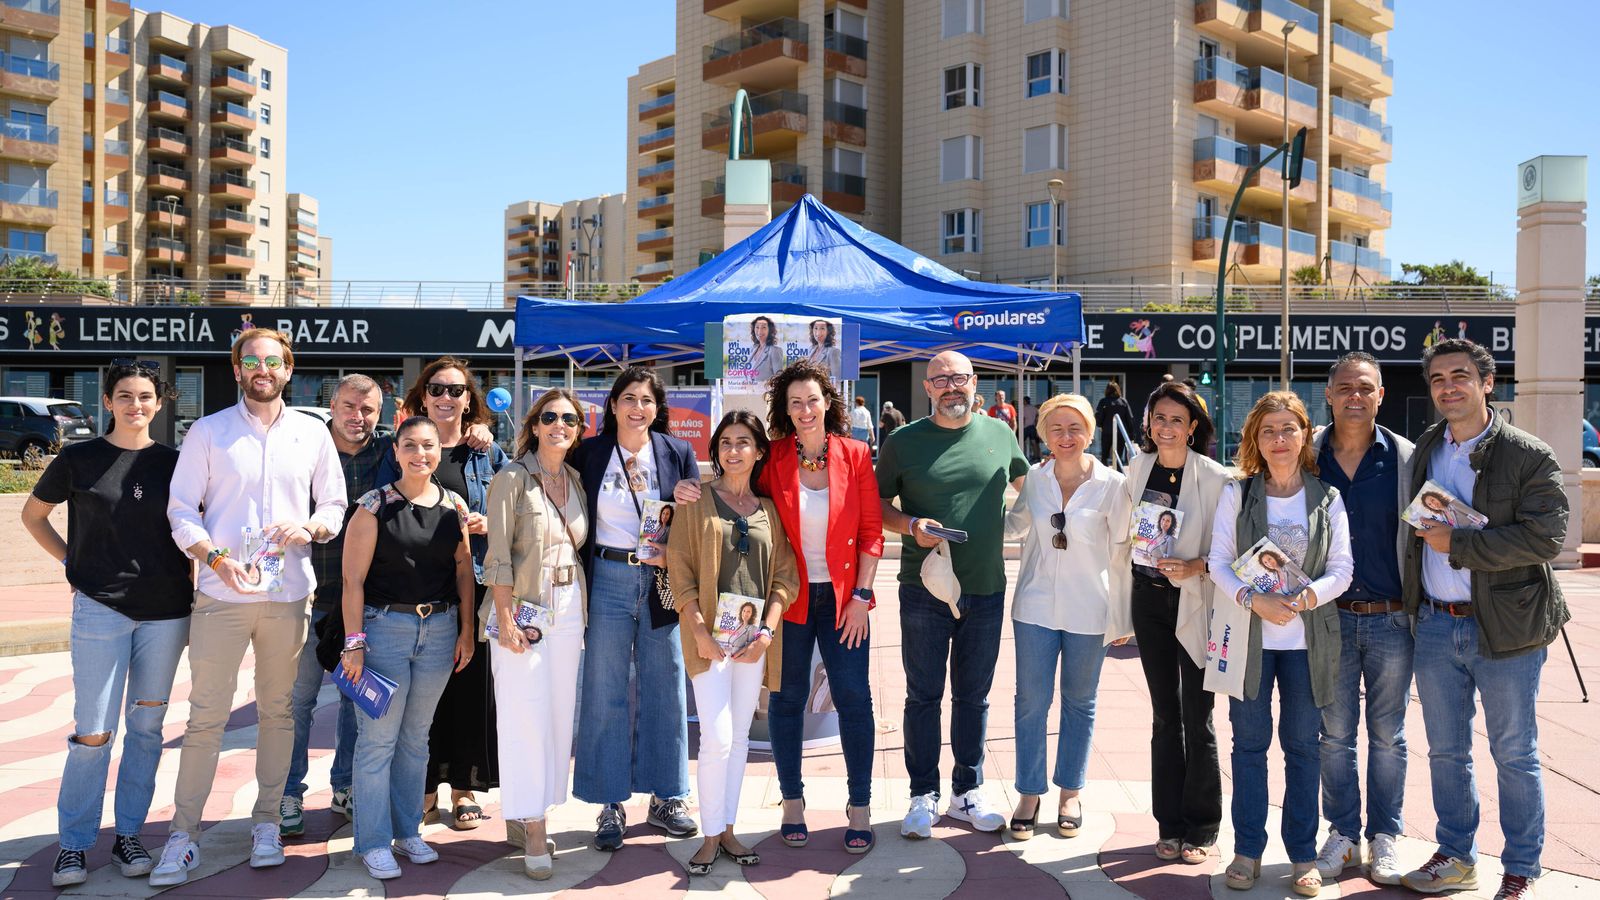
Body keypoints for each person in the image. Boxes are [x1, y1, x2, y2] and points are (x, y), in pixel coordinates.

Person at [155, 329, 347, 886]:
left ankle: (266, 822)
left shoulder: (313, 434)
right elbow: (181, 510)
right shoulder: (208, 432)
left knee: (278, 713)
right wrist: (214, 559)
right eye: (251, 360)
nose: (262, 368)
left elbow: (334, 504)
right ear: (236, 368)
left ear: (289, 368)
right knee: (206, 719)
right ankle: (183, 836)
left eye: (273, 360)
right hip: (221, 595)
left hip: (287, 597)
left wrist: (309, 525)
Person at [1399, 339, 1569, 900]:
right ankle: (1456, 854)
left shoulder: (1529, 453)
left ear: (1487, 383)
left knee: (1513, 751)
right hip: (1437, 624)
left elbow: (1546, 538)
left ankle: (1521, 866)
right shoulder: (1426, 447)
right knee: (1447, 751)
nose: (1449, 387)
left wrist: (1461, 543)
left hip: (1509, 627)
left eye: (1461, 376)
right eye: (1439, 379)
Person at [23, 362, 192, 888]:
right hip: (101, 609)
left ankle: (129, 835)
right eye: (125, 396)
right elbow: (33, 516)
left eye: (145, 396)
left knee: (146, 730)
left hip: (166, 613)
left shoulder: (178, 463)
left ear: (159, 403)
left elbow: (194, 529)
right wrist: (71, 565)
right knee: (93, 733)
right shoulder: (79, 459)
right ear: (108, 401)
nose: (135, 405)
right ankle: (74, 846)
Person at [876, 350, 1029, 838]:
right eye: (940, 380)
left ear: (974, 382)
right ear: (927, 387)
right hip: (924, 588)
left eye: (959, 378)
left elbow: (1037, 489)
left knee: (974, 697)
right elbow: (876, 507)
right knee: (922, 695)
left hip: (984, 588)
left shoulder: (1001, 435)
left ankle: (967, 791)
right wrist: (910, 524)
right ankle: (923, 793)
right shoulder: (902, 442)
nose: (950, 387)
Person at [1208, 390, 1353, 898]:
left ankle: (1302, 855)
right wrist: (1254, 600)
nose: (1279, 439)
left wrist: (1310, 596)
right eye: (1268, 430)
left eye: (1288, 429)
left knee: (1302, 749)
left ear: (1304, 434)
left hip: (1307, 644)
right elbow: (1218, 562)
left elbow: (1342, 569)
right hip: (1251, 642)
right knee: (1248, 747)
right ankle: (1247, 850)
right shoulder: (1238, 494)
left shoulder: (1327, 498)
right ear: (1255, 439)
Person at [340, 416, 476, 880]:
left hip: (438, 631)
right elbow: (351, 582)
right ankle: (373, 841)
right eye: (411, 446)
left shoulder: (455, 504)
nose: (421, 454)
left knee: (416, 741)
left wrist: (464, 630)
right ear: (396, 451)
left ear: (440, 451)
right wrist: (353, 644)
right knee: (378, 742)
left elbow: (463, 570)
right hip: (383, 633)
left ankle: (407, 831)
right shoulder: (373, 505)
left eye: (429, 446)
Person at [572, 365, 701, 851]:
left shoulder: (677, 451)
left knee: (666, 683)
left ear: (657, 407)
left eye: (646, 400)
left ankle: (668, 796)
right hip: (605, 575)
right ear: (613, 404)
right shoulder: (589, 453)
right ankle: (610, 802)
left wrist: (691, 496)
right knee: (605, 687)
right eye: (629, 398)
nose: (638, 408)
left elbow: (692, 521)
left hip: (660, 578)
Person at [755, 362, 883, 853]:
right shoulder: (774, 458)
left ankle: (860, 806)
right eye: (795, 403)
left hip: (845, 598)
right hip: (789, 596)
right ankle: (792, 802)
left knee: (853, 698)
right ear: (785, 412)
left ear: (828, 402)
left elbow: (872, 533)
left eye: (812, 400)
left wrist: (860, 598)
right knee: (786, 702)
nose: (805, 410)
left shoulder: (854, 454)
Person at [665, 411, 798, 875]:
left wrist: (767, 633)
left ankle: (728, 830)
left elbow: (785, 576)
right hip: (708, 639)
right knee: (717, 737)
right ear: (715, 450)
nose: (733, 450)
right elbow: (678, 568)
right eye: (725, 442)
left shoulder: (769, 509)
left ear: (759, 451)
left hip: (752, 642)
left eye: (744, 442)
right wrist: (698, 629)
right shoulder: (696, 500)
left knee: (739, 737)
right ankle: (708, 834)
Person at [1003, 394, 1130, 841]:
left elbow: (1125, 552)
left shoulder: (1113, 484)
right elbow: (1014, 527)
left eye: (1075, 428)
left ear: (1090, 433)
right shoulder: (1034, 482)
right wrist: (967, 513)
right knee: (1030, 703)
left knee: (1080, 702)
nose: (1066, 436)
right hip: (1034, 606)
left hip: (1090, 609)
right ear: (1043, 436)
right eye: (1056, 428)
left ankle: (1070, 791)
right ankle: (1029, 792)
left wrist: (1123, 615)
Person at [1309, 352, 1415, 885]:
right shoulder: (1306, 456)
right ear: (1328, 395)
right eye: (1345, 387)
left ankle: (1386, 837)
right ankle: (1344, 835)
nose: (1355, 395)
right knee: (1334, 736)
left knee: (1389, 736)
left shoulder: (1406, 459)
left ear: (1381, 395)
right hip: (1328, 621)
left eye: (1365, 387)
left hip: (1392, 620)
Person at [1116, 380, 1230, 865]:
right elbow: (1118, 532)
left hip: (1195, 603)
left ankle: (1201, 827)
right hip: (1148, 601)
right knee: (1165, 716)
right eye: (1158, 418)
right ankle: (1169, 822)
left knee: (1197, 716)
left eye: (1176, 420)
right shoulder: (1137, 469)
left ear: (1194, 427)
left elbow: (1230, 550)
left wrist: (1198, 566)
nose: (1166, 428)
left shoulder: (1217, 478)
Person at [484, 389, 589, 880]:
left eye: (569, 418)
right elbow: (497, 553)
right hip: (522, 607)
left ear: (578, 428)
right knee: (523, 716)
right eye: (550, 417)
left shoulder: (575, 479)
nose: (559, 425)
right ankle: (532, 825)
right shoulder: (511, 478)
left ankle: (535, 805)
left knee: (556, 715)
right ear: (535, 423)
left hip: (568, 611)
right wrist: (503, 616)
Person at [400, 357, 508, 831]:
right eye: (437, 389)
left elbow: (517, 506)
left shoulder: (486, 453)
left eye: (456, 390)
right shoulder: (407, 446)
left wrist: (492, 523)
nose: (446, 398)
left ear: (470, 399)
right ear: (423, 396)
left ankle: (463, 789)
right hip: (417, 588)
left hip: (475, 586)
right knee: (422, 696)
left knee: (467, 692)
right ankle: (423, 791)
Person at [1095, 381, 1134, 466]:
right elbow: (1130, 418)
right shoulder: (1123, 402)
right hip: (1120, 432)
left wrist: (1100, 425)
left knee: (1104, 456)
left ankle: (1104, 475)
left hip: (1106, 432)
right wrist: (1131, 434)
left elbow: (1098, 416)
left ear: (1107, 390)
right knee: (1119, 457)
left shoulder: (1103, 402)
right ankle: (1119, 475)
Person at [748, 315, 786, 382]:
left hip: (766, 391)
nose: (760, 331)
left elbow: (778, 378)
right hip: (749, 391)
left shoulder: (775, 350)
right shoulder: (753, 349)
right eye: (757, 327)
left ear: (770, 331)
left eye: (764, 327)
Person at [1021, 396, 1040, 461]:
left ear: (1025, 401)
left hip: (1026, 427)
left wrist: (1021, 427)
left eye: (1023, 401)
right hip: (1032, 427)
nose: (1022, 402)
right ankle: (1036, 457)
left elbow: (1023, 419)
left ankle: (1024, 456)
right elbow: (1038, 415)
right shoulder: (1034, 408)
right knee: (1034, 442)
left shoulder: (1024, 408)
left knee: (1021, 442)